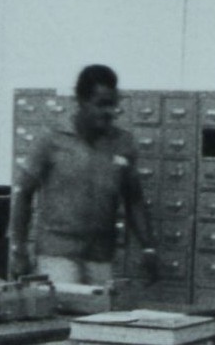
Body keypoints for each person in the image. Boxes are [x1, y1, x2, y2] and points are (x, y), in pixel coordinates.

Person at [8, 63, 156, 286]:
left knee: (98, 307)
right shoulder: (52, 139)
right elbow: (23, 193)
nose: (109, 112)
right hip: (58, 253)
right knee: (65, 304)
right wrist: (18, 248)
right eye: (101, 104)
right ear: (81, 101)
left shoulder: (122, 143)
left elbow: (134, 199)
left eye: (112, 104)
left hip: (101, 254)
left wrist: (148, 246)